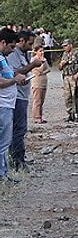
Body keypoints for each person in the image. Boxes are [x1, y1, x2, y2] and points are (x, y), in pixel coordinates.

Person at [7, 30, 42, 171]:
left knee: (20, 129)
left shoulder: (25, 53)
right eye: (29, 43)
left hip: (23, 95)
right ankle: (16, 161)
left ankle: (18, 159)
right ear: (21, 40)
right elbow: (15, 73)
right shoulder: (12, 54)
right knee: (18, 129)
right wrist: (33, 65)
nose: (31, 46)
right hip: (16, 97)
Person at [0, 28, 25, 182]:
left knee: (4, 142)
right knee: (2, 143)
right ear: (3, 42)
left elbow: (7, 76)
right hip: (2, 106)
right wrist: (14, 80)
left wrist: (16, 76)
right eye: (11, 47)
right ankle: (2, 176)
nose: (12, 50)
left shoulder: (3, 58)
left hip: (8, 105)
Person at [58, 39, 78, 122]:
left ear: (70, 45)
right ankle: (71, 114)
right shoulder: (64, 54)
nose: (64, 47)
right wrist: (62, 64)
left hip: (75, 77)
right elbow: (59, 68)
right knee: (67, 97)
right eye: (63, 46)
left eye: (66, 46)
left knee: (77, 95)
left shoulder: (77, 53)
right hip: (66, 77)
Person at [30, 42, 51, 124]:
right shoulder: (34, 60)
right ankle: (36, 117)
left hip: (44, 82)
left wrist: (43, 71)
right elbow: (39, 70)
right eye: (40, 51)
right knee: (37, 100)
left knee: (42, 100)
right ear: (36, 52)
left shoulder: (44, 59)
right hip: (37, 82)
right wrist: (42, 63)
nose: (42, 52)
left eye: (43, 51)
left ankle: (40, 116)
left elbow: (48, 69)